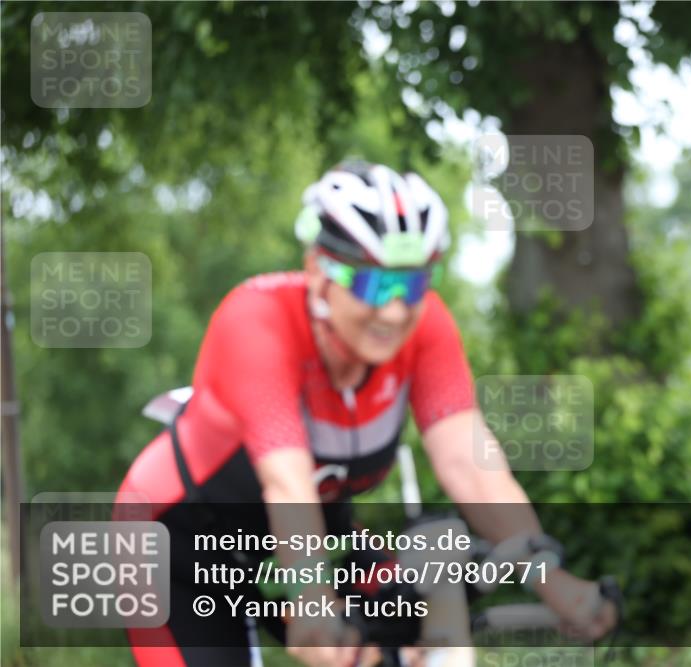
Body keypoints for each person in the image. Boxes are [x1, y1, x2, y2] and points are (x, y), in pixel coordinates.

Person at [116, 161, 615, 667]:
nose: (395, 312)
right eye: (375, 286)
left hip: (312, 533)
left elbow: (470, 465)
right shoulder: (257, 323)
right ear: (318, 272)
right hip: (180, 542)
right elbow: (288, 483)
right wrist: (312, 600)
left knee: (419, 626)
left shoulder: (425, 329)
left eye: (414, 285)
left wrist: (550, 579)